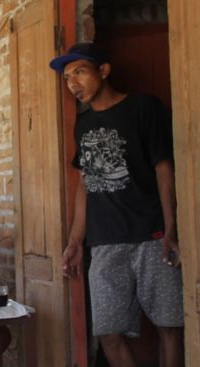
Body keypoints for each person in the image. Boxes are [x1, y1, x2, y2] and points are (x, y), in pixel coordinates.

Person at [51, 43, 184, 367]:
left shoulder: (143, 107)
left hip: (150, 236)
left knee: (170, 326)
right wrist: (74, 242)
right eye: (67, 78)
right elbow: (85, 183)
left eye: (80, 72)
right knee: (108, 332)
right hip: (105, 242)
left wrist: (170, 229)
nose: (72, 84)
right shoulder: (82, 125)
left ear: (104, 70)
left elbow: (163, 168)